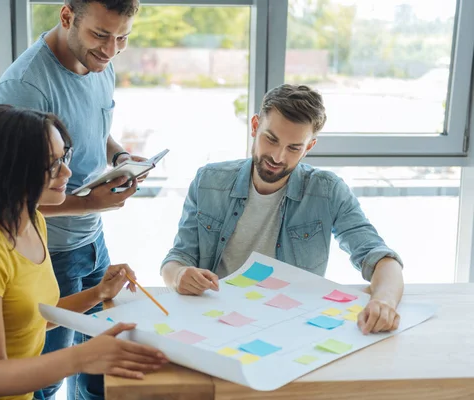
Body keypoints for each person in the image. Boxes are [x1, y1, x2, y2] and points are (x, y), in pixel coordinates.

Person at [0, 105, 167, 400]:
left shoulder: (32, 220)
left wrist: (98, 293)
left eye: (64, 157)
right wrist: (82, 357)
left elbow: (32, 317)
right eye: (52, 165)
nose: (67, 171)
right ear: (12, 170)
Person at [0, 1, 144, 398]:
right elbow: (4, 191)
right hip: (47, 252)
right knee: (45, 377)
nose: (110, 51)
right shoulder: (24, 88)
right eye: (101, 35)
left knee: (100, 368)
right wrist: (90, 204)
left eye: (122, 37)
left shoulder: (98, 64)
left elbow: (93, 128)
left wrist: (120, 157)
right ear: (66, 17)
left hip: (92, 241)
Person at [161, 84, 405, 335]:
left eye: (294, 148)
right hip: (217, 321)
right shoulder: (209, 181)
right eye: (271, 139)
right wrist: (179, 276)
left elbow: (381, 258)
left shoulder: (327, 190)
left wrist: (384, 301)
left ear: (309, 147)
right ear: (255, 126)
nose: (277, 157)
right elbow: (176, 260)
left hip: (290, 326)